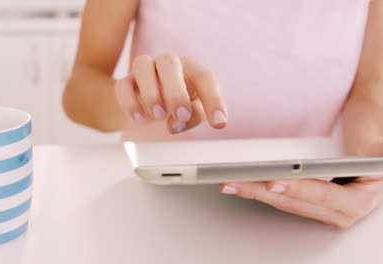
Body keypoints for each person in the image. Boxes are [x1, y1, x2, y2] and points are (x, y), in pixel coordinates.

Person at [62, 0, 383, 228]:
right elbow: (80, 90)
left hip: (304, 214)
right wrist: (139, 104)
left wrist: (374, 165)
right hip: (157, 208)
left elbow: (370, 93)